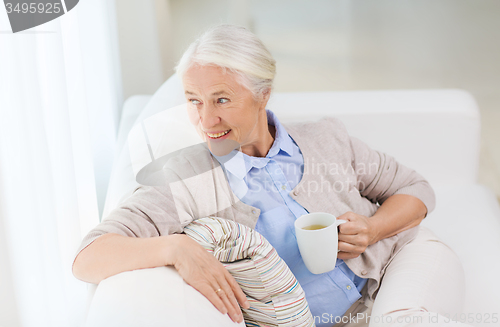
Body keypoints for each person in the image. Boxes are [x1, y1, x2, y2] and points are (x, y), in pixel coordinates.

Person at [73, 25, 469, 327]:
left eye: (222, 99)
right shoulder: (185, 178)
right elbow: (88, 256)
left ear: (263, 94)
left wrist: (374, 228)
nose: (206, 119)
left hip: (400, 263)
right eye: (194, 101)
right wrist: (175, 249)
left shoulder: (324, 138)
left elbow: (415, 190)